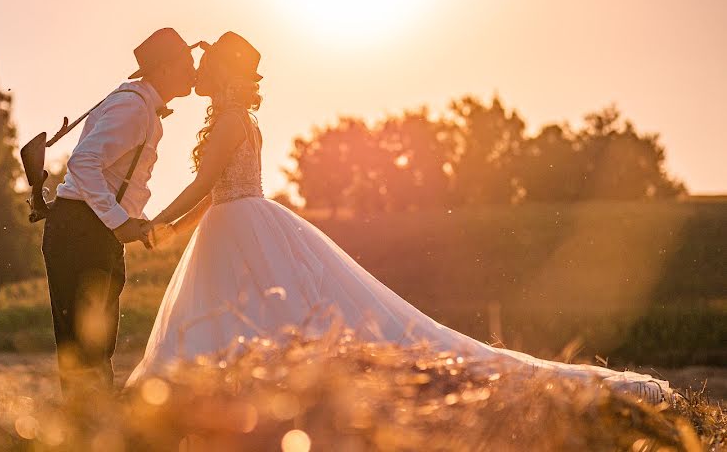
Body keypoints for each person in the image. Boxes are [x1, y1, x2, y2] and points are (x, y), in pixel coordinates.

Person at [125, 31, 671, 404]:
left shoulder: (231, 121)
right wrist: (176, 227)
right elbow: (214, 193)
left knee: (267, 320)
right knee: (246, 319)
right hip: (234, 224)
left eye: (208, 63)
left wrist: (155, 223)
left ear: (221, 72)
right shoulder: (231, 117)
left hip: (241, 226)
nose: (199, 69)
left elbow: (203, 186)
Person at [41, 27, 197, 395]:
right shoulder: (133, 107)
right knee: (84, 342)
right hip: (81, 229)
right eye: (187, 64)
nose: (193, 72)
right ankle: (87, 430)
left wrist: (125, 221)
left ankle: (94, 429)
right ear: (164, 68)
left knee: (97, 339)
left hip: (92, 228)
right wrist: (119, 221)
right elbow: (83, 163)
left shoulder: (142, 107)